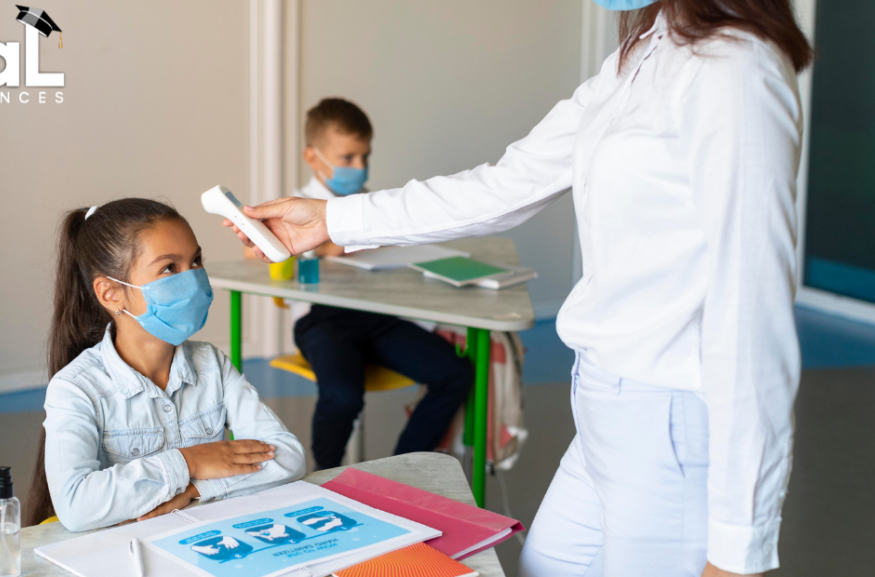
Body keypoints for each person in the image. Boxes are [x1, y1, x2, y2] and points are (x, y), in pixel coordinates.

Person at [223, 1, 813, 575]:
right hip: (603, 408)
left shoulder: (737, 70)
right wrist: (332, 219)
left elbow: (753, 320)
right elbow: (503, 186)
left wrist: (740, 549)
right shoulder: (645, 49)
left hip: (671, 421)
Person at [27, 198, 306, 531]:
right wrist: (190, 461)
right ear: (111, 293)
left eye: (196, 261)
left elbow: (288, 456)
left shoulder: (212, 364)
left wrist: (196, 489)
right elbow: (76, 506)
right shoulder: (75, 388)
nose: (192, 280)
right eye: (169, 268)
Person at [281, 97, 474, 470]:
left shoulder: (373, 204)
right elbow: (256, 254)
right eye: (348, 158)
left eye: (365, 156)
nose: (360, 166)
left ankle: (400, 472)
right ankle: (325, 477)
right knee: (342, 395)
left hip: (379, 316)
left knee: (455, 373)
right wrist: (325, 244)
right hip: (324, 322)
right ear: (313, 157)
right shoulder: (296, 206)